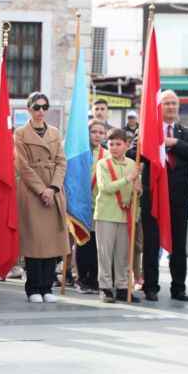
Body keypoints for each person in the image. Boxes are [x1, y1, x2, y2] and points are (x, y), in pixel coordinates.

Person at [140, 91, 188, 302]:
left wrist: (172, 142)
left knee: (178, 244)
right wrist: (153, 144)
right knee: (151, 243)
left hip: (178, 197)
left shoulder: (187, 132)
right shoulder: (148, 130)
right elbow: (133, 153)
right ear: (159, 106)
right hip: (153, 195)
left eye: (174, 103)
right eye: (167, 103)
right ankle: (150, 286)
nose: (171, 107)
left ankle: (179, 288)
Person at [14, 92, 70, 304]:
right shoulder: (20, 134)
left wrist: (53, 188)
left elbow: (61, 162)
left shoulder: (55, 132)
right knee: (34, 242)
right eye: (37, 107)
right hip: (32, 191)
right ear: (29, 108)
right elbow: (22, 165)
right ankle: (33, 287)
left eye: (45, 107)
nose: (41, 112)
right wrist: (41, 189)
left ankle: (48, 286)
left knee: (52, 242)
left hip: (53, 190)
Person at [94, 129, 142, 303]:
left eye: (118, 144)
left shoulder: (133, 164)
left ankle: (122, 286)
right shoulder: (103, 164)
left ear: (127, 145)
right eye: (111, 144)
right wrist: (128, 179)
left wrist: (138, 189)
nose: (113, 147)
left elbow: (137, 190)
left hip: (126, 215)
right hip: (106, 213)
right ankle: (105, 287)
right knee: (105, 253)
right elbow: (105, 187)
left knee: (123, 254)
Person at [74, 120, 107, 294]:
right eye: (94, 131)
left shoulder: (107, 155)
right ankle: (81, 278)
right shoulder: (80, 153)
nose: (97, 135)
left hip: (99, 205)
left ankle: (93, 278)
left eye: (101, 132)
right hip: (81, 203)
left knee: (96, 243)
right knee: (82, 242)